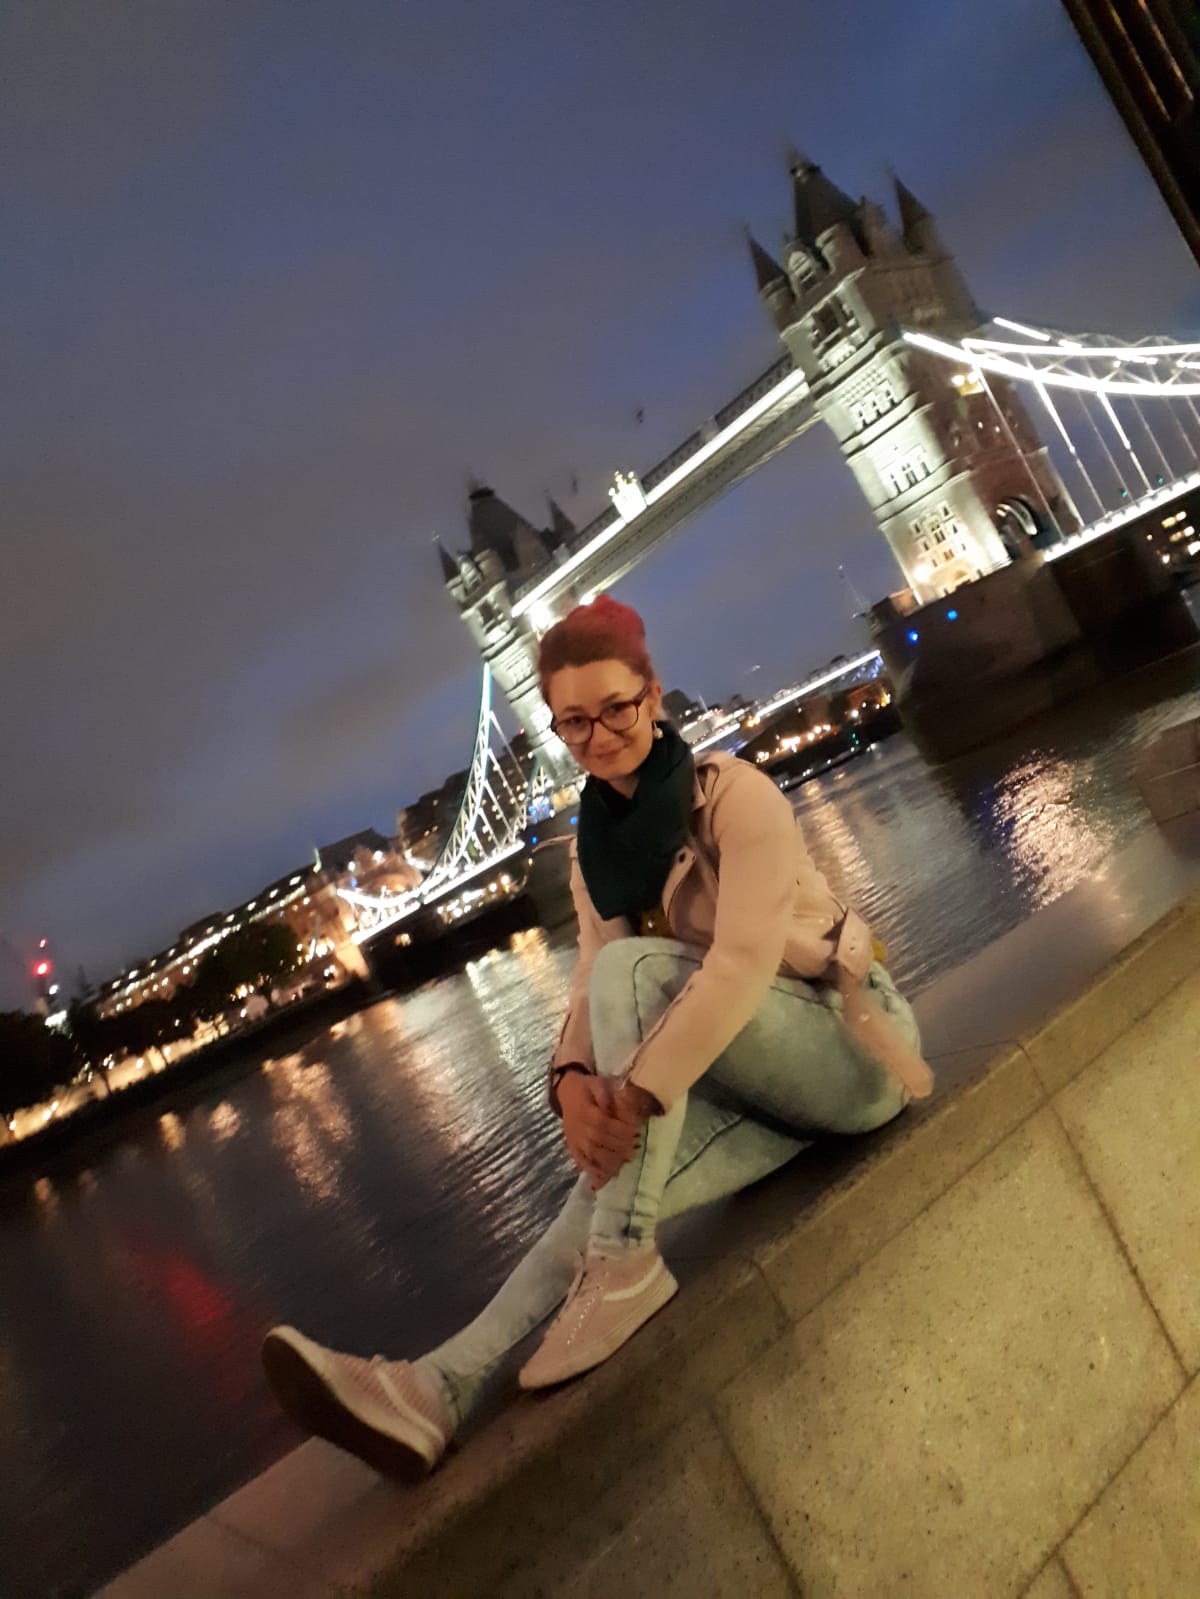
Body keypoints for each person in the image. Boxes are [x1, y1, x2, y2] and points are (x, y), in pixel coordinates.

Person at [261, 596, 932, 1480]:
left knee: (633, 985)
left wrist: (635, 1094)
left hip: (851, 1051)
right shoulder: (593, 851)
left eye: (615, 707)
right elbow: (586, 984)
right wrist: (572, 1079)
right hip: (755, 1091)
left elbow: (735, 966)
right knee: (604, 1192)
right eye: (572, 720)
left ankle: (626, 1270)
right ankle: (435, 1386)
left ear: (652, 696)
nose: (597, 733)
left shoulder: (735, 797)